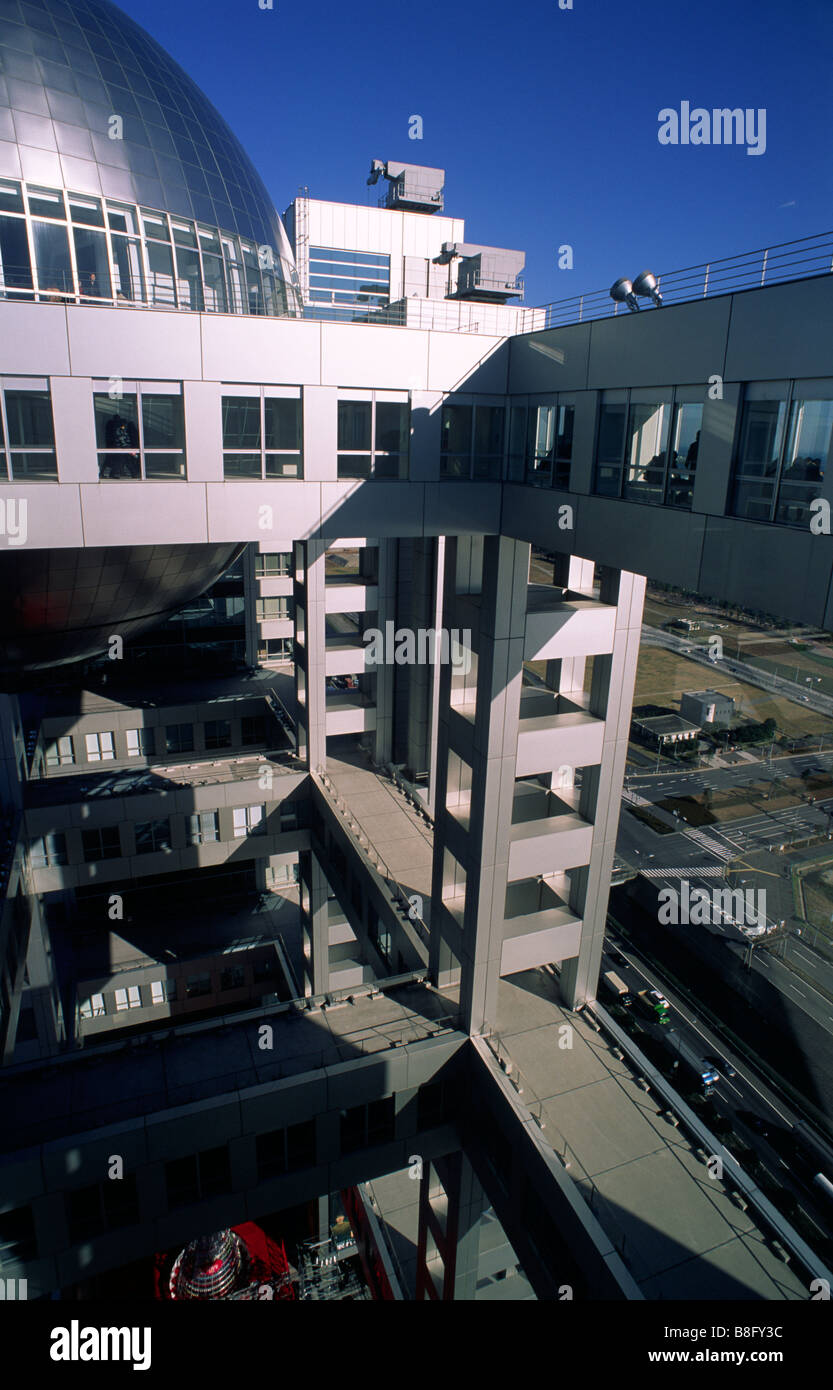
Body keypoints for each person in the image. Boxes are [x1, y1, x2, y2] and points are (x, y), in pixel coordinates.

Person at [102, 413, 140, 478]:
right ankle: (132, 473)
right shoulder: (119, 430)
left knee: (122, 461)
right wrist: (127, 448)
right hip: (122, 448)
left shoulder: (118, 429)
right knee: (123, 461)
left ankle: (132, 473)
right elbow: (122, 439)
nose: (125, 427)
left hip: (121, 448)